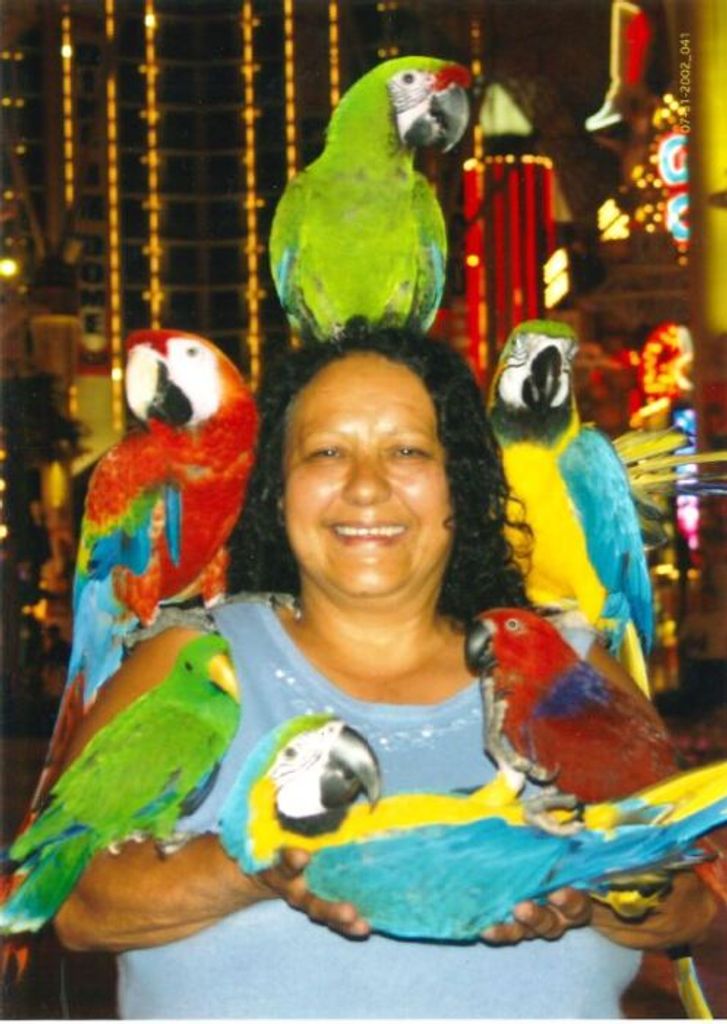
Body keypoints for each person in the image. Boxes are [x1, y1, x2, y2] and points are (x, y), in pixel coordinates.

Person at [54, 326, 714, 1019]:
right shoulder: (190, 664)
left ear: (459, 486)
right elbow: (72, 903)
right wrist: (259, 863)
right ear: (276, 493)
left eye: (406, 451)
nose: (366, 486)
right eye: (327, 452)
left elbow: (695, 902)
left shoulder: (568, 665)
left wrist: (590, 878)